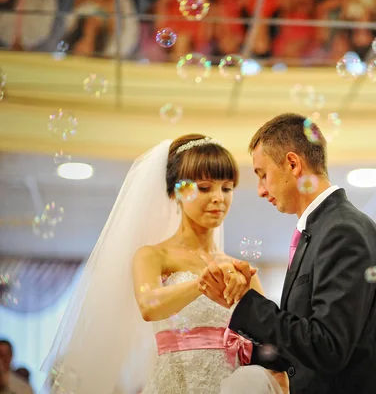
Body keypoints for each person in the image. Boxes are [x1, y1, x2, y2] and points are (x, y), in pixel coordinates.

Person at [43, 135, 286, 394]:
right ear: (177, 192)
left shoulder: (239, 269)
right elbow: (149, 306)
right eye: (204, 188)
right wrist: (203, 283)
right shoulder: (154, 256)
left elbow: (271, 337)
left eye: (226, 188)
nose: (219, 198)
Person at [201, 113, 376, 394]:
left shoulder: (342, 231)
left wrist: (245, 304)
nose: (261, 190)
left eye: (263, 174)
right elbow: (303, 347)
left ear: (292, 163)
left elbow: (329, 347)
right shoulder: (322, 230)